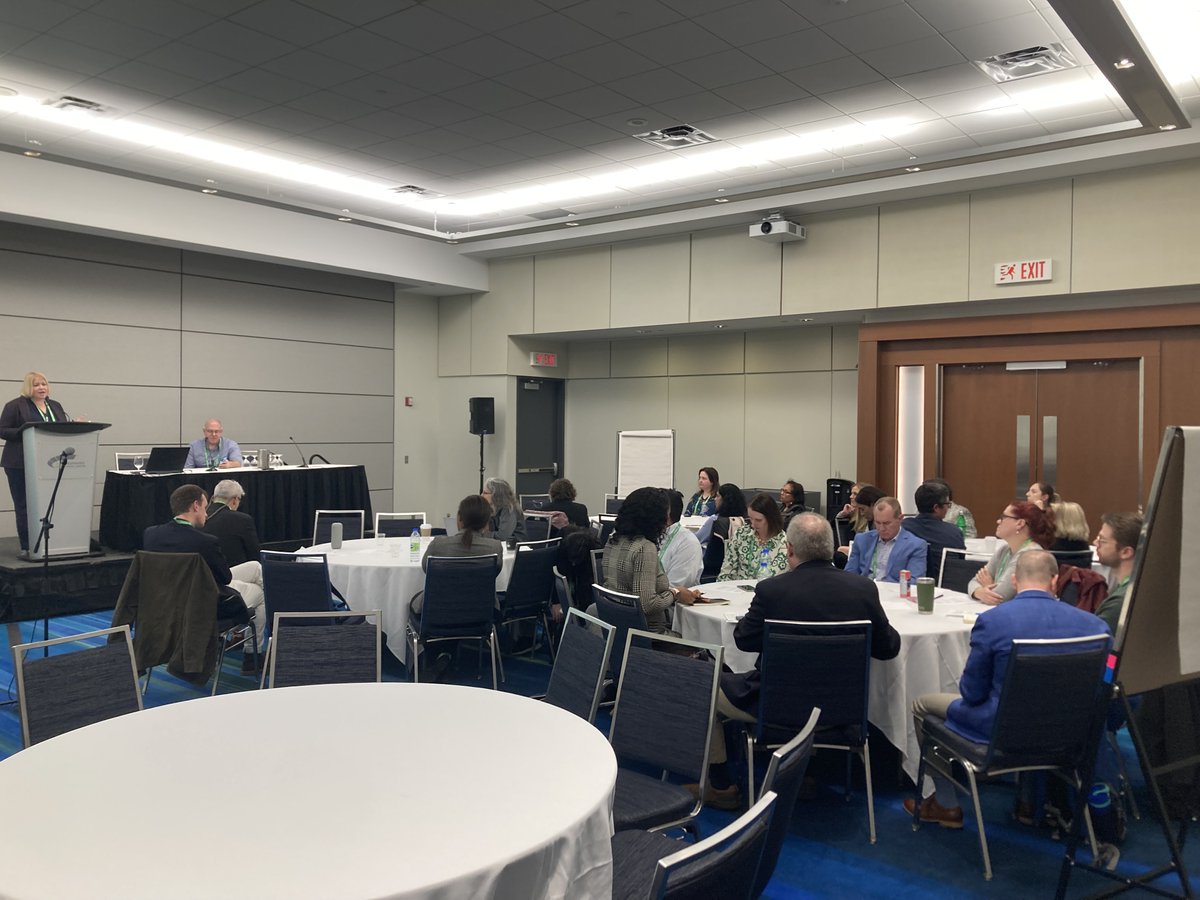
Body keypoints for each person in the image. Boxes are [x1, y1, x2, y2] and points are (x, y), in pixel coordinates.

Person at [701, 513, 902, 808]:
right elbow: (889, 648)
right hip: (843, 707)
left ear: (790, 549)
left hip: (774, 703)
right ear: (831, 548)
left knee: (704, 686)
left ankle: (721, 786)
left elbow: (743, 640)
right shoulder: (863, 590)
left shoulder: (773, 590)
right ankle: (807, 772)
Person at [905, 550, 1108, 828]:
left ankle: (945, 803)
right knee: (1035, 702)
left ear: (1014, 579)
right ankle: (1026, 803)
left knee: (921, 705)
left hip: (1000, 731)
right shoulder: (1096, 627)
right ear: (1055, 581)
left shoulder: (994, 621)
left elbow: (972, 692)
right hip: (1069, 734)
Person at [142, 484, 266, 671]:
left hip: (166, 604)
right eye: (205, 507)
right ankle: (252, 656)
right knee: (261, 592)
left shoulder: (151, 534)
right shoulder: (205, 542)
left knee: (256, 568)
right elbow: (224, 578)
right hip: (204, 606)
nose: (207, 514)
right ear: (195, 506)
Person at [602, 487, 698, 634]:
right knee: (703, 646)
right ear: (656, 517)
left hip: (615, 625)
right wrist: (675, 592)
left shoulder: (614, 540)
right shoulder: (644, 548)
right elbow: (647, 605)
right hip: (647, 633)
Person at [1, 372, 73, 555]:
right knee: (24, 504)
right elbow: (2, 430)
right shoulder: (15, 406)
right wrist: (25, 431)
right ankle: (28, 546)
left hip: (49, 462)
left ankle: (53, 543)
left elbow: (60, 427)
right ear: (28, 388)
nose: (41, 388)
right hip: (20, 463)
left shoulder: (55, 406)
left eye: (44, 384)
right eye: (36, 385)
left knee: (50, 502)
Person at [411, 495, 503, 617]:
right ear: (486, 524)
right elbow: (494, 572)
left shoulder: (438, 545)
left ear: (459, 519)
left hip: (439, 614)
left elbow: (426, 569)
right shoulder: (495, 548)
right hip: (480, 614)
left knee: (413, 601)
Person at [967, 500, 1055, 605]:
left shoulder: (1030, 555)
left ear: (1020, 523)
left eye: (1003, 517)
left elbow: (1000, 596)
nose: (998, 521)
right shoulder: (1004, 549)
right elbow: (973, 582)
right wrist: (979, 592)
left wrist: (988, 585)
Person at [845, 497, 928, 582]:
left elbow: (914, 581)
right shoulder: (862, 540)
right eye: (877, 523)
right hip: (865, 590)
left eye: (886, 523)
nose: (881, 528)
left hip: (894, 592)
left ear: (900, 519)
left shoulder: (915, 545)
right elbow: (849, 575)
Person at [901, 481, 966, 582]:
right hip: (946, 586)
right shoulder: (953, 532)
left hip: (910, 583)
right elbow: (961, 563)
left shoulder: (903, 527)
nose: (948, 508)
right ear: (936, 508)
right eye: (947, 504)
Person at [717, 492, 789, 581]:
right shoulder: (742, 534)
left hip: (768, 592)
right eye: (750, 518)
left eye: (758, 520)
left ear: (771, 518)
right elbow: (727, 571)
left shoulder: (784, 543)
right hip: (736, 591)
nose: (753, 524)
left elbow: (782, 580)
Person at [1094, 512, 1142, 635]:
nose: (1095, 543)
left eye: (1102, 540)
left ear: (1126, 552)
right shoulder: (1137, 585)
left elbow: (1095, 644)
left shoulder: (1119, 603)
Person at [202, 479, 259, 567]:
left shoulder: (199, 518)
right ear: (234, 500)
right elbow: (254, 554)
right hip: (233, 573)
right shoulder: (243, 519)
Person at [701, 483, 749, 579]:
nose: (715, 499)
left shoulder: (716, 521)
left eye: (718, 496)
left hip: (712, 571)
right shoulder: (747, 521)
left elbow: (698, 540)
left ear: (725, 500)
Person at [660, 489, 703, 589]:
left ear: (667, 513)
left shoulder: (688, 543)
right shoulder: (650, 535)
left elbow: (677, 587)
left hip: (673, 601)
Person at [481, 477, 525, 542]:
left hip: (515, 546)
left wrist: (482, 534)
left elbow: (503, 536)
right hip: (501, 544)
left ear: (496, 495)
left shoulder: (509, 509)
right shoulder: (491, 507)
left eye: (485, 493)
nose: (481, 495)